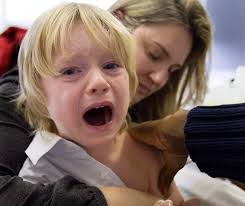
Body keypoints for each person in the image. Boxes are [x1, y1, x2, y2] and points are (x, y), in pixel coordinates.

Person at [0, 0, 211, 205]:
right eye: (154, 54)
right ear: (39, 94)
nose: (160, 79)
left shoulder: (150, 152)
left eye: (111, 65)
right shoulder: (39, 171)